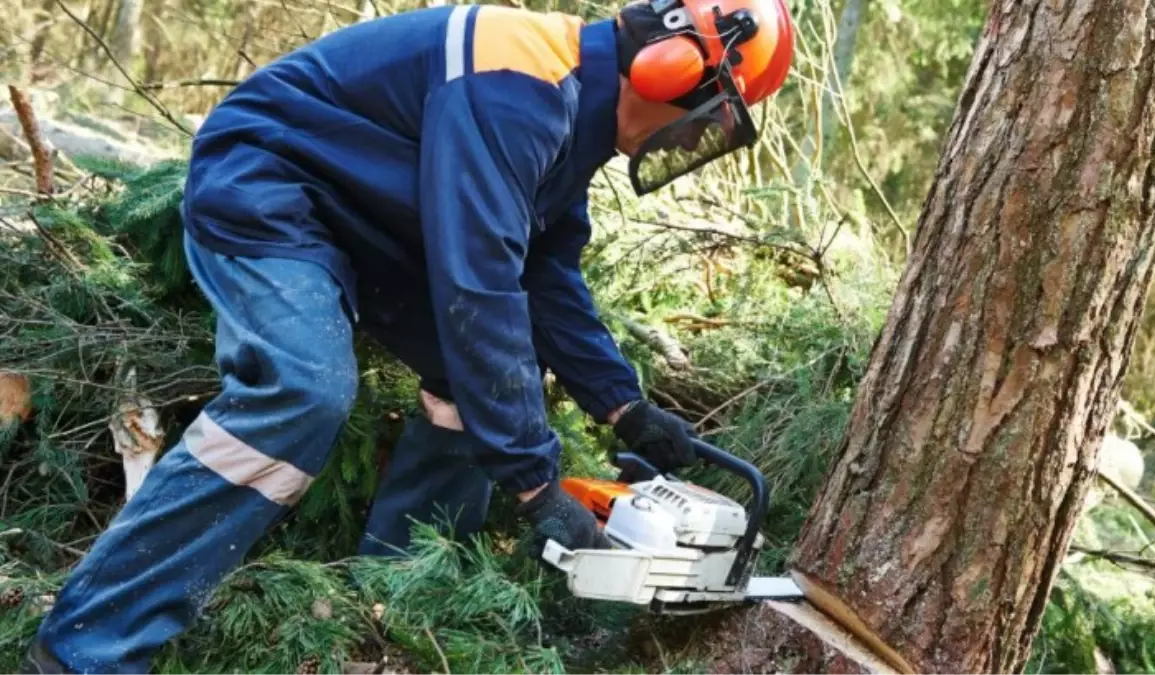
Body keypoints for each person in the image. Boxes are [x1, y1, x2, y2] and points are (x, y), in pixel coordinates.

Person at [21, 0, 793, 671]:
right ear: (670, 68)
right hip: (270, 183)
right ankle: (87, 644)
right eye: (711, 114)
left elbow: (546, 277)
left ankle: (390, 596)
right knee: (303, 391)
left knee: (469, 380)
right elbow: (480, 286)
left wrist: (625, 408)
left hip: (372, 224)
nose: (700, 136)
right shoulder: (519, 84)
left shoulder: (571, 119)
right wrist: (535, 485)